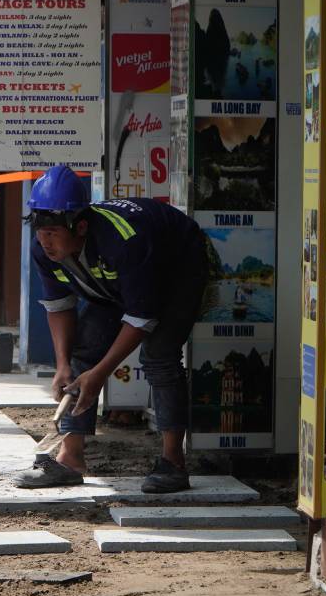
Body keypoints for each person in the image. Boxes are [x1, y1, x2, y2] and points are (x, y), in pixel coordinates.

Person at [14, 166, 208, 494]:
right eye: (41, 231)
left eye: (54, 233)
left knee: (159, 355)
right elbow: (59, 307)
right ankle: (69, 459)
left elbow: (141, 317)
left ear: (81, 226)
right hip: (115, 281)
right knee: (82, 351)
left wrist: (102, 373)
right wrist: (63, 365)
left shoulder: (125, 240)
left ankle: (173, 463)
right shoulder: (42, 250)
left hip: (177, 270)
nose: (45, 241)